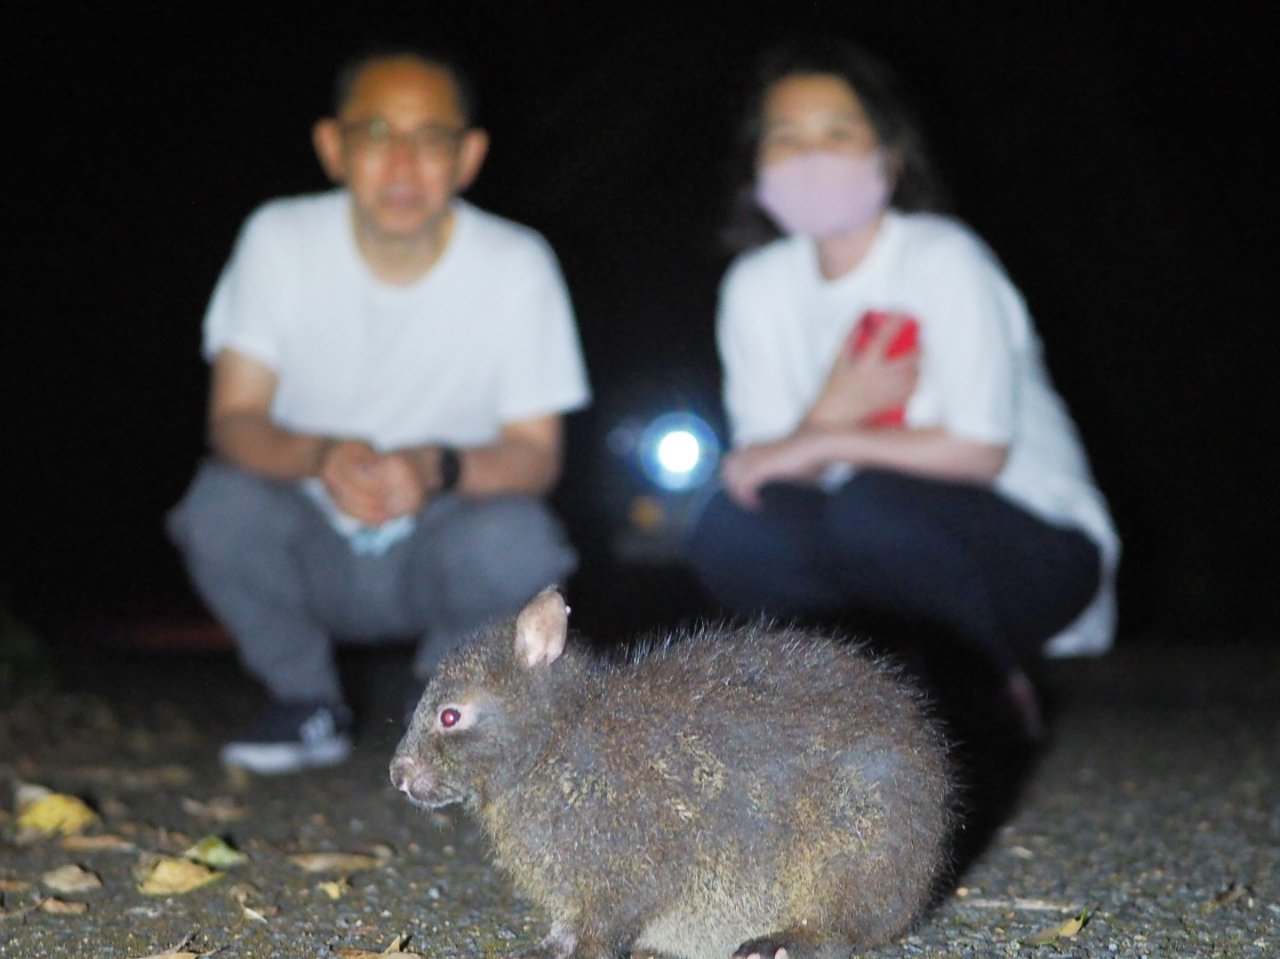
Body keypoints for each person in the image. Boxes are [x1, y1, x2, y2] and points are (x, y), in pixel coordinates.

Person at [167, 48, 590, 773]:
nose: (402, 164)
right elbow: (234, 419)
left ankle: (446, 704)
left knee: (523, 538)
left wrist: (435, 467)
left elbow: (536, 452)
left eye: (430, 138)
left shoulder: (518, 263)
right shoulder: (279, 239)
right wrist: (320, 456)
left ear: (469, 155)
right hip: (309, 537)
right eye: (376, 134)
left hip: (438, 539)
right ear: (333, 146)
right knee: (215, 506)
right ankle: (305, 701)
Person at [684, 37, 1119, 735]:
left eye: (837, 133)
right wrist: (831, 413)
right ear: (756, 162)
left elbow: (980, 452)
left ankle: (986, 698)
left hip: (1036, 546)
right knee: (729, 527)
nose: (809, 156)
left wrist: (828, 436)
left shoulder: (944, 258)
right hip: (875, 545)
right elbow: (763, 470)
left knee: (875, 501)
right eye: (785, 137)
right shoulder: (755, 286)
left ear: (888, 154)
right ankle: (830, 710)